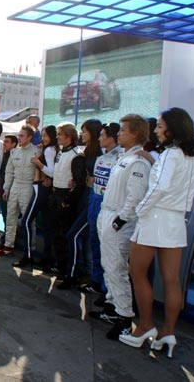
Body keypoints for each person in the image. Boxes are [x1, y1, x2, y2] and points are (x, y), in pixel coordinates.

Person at [120, 108, 194, 356]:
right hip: (176, 221)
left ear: (172, 129)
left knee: (137, 272)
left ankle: (145, 326)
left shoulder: (171, 154)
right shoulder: (192, 156)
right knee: (171, 279)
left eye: (160, 126)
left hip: (155, 218)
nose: (156, 130)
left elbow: (159, 187)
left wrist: (141, 210)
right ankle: (168, 332)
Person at [86, 115, 149, 341]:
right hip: (107, 212)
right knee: (108, 264)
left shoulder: (138, 162)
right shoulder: (125, 157)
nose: (119, 133)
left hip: (118, 219)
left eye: (123, 130)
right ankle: (112, 307)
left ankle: (125, 317)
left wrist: (120, 220)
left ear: (135, 133)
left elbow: (135, 195)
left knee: (117, 267)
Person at [59, 118, 103, 289]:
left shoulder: (100, 153)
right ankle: (84, 274)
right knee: (83, 238)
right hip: (84, 198)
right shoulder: (87, 151)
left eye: (85, 131)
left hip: (94, 199)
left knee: (75, 235)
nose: (82, 134)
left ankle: (75, 275)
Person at [80, 122, 121, 295]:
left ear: (111, 138)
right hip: (95, 200)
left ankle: (108, 289)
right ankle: (96, 280)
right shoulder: (101, 157)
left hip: (110, 205)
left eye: (102, 135)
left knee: (108, 248)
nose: (99, 138)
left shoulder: (121, 158)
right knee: (95, 242)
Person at [13, 125, 58, 268]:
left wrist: (37, 162)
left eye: (46, 136)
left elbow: (52, 172)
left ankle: (28, 256)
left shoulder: (50, 150)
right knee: (47, 225)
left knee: (26, 221)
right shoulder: (50, 149)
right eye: (42, 135)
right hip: (43, 188)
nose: (43, 138)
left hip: (40, 188)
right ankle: (47, 258)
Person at [0, 126, 38, 256]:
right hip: (15, 186)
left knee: (29, 220)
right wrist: (6, 188)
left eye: (22, 136)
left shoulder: (37, 151)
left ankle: (30, 249)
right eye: (19, 135)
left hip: (28, 187)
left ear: (30, 137)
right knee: (10, 218)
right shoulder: (14, 152)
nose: (19, 138)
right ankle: (8, 246)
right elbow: (9, 172)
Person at [50, 122, 86, 277]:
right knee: (57, 233)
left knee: (65, 234)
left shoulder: (77, 155)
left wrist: (67, 199)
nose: (57, 137)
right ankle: (59, 264)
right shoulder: (61, 151)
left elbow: (78, 182)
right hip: (56, 194)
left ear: (69, 136)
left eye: (59, 134)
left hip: (66, 197)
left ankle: (68, 269)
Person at [0, 133, 18, 243]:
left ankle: (10, 238)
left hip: (10, 189)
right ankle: (5, 235)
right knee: (5, 213)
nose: (4, 143)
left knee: (10, 215)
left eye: (7, 142)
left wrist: (8, 188)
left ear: (14, 144)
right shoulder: (4, 154)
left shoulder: (14, 156)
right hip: (3, 187)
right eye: (4, 141)